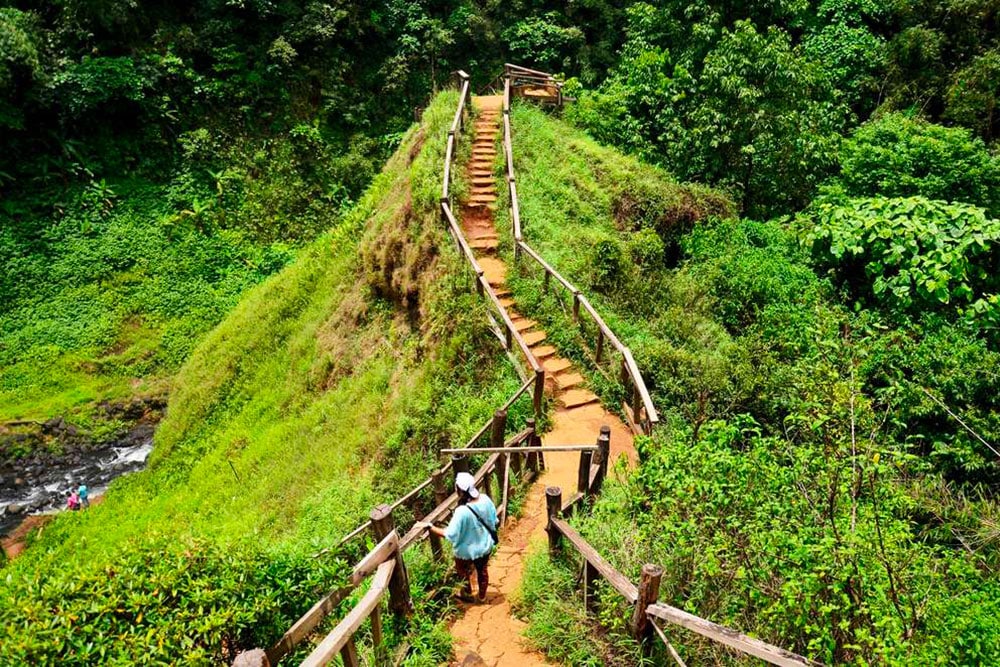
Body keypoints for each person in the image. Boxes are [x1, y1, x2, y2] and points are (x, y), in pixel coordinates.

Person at [419, 472, 498, 602]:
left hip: (465, 551)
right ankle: (482, 597)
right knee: (482, 571)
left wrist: (431, 527)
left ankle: (467, 592)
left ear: (460, 490)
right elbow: (494, 521)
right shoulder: (485, 499)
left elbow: (450, 534)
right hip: (484, 546)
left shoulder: (461, 512)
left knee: (462, 569)